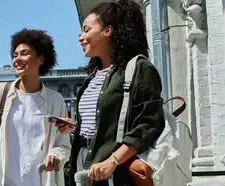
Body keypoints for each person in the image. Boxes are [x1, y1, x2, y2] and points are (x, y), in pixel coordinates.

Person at [58, 0, 166, 186]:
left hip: (115, 173)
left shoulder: (139, 69)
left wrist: (112, 161)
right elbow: (108, 123)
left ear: (108, 31)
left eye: (87, 30)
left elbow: (147, 124)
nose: (80, 37)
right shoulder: (92, 77)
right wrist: (77, 128)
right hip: (84, 168)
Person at [0, 28, 71, 186]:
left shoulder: (56, 100)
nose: (17, 59)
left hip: (42, 181)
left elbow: (63, 145)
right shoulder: (0, 92)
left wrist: (55, 156)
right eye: (15, 55)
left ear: (40, 59)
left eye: (24, 53)